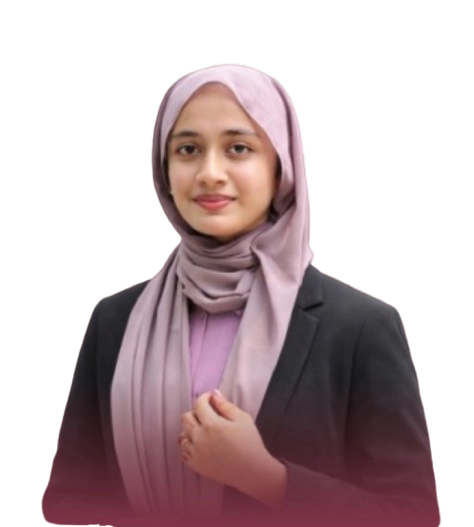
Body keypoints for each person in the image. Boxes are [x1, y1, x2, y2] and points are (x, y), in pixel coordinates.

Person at [41, 64, 440, 527]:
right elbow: (69, 501)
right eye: (188, 149)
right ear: (164, 169)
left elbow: (411, 515)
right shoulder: (116, 322)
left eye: (238, 148)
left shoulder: (358, 328)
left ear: (280, 167)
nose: (210, 173)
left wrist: (267, 478)